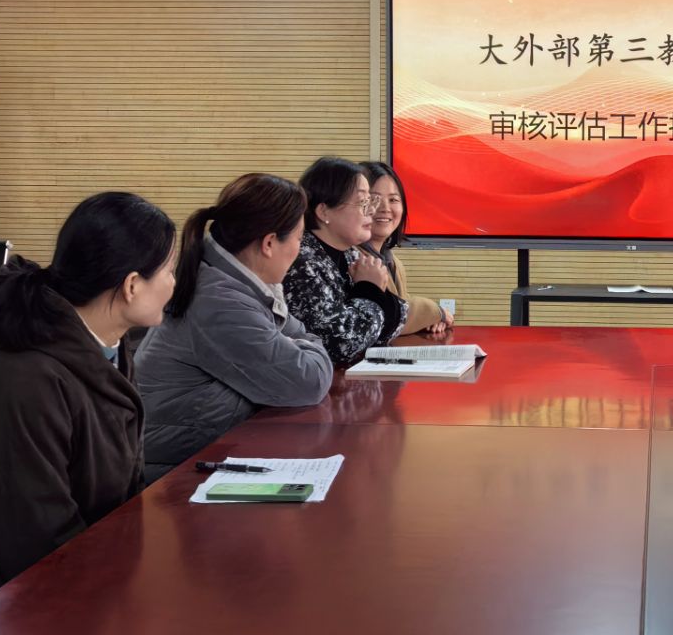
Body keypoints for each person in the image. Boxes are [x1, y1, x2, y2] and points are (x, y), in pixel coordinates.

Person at [0, 192, 176, 631]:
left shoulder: (105, 350)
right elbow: (37, 540)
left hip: (66, 585)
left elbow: (118, 498)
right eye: (169, 270)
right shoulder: (22, 380)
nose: (174, 283)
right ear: (132, 285)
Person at [135, 173, 335, 476]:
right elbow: (309, 380)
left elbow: (303, 340)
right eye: (299, 238)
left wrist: (295, 345)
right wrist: (297, 345)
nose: (300, 249)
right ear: (269, 243)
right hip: (175, 477)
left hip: (209, 458)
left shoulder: (233, 281)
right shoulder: (220, 302)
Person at [282, 156, 407, 368]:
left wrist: (371, 300)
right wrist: (369, 289)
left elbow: (395, 321)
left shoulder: (352, 255)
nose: (371, 211)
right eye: (362, 202)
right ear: (323, 211)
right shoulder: (302, 262)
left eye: (369, 202)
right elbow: (341, 345)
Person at [357, 160, 452, 337]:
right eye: (374, 199)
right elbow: (387, 316)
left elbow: (402, 308)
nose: (385, 208)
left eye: (393, 199)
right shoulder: (353, 259)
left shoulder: (393, 262)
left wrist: (428, 319)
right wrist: (435, 311)